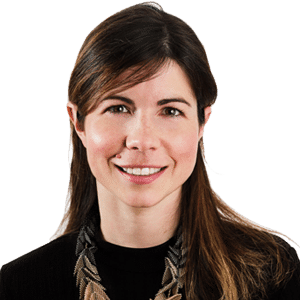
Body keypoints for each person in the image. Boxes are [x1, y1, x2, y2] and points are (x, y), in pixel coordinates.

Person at [0, 2, 299, 300]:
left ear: (201, 122)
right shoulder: (17, 288)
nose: (142, 141)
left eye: (170, 111)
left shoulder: (272, 276)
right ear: (78, 121)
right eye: (117, 108)